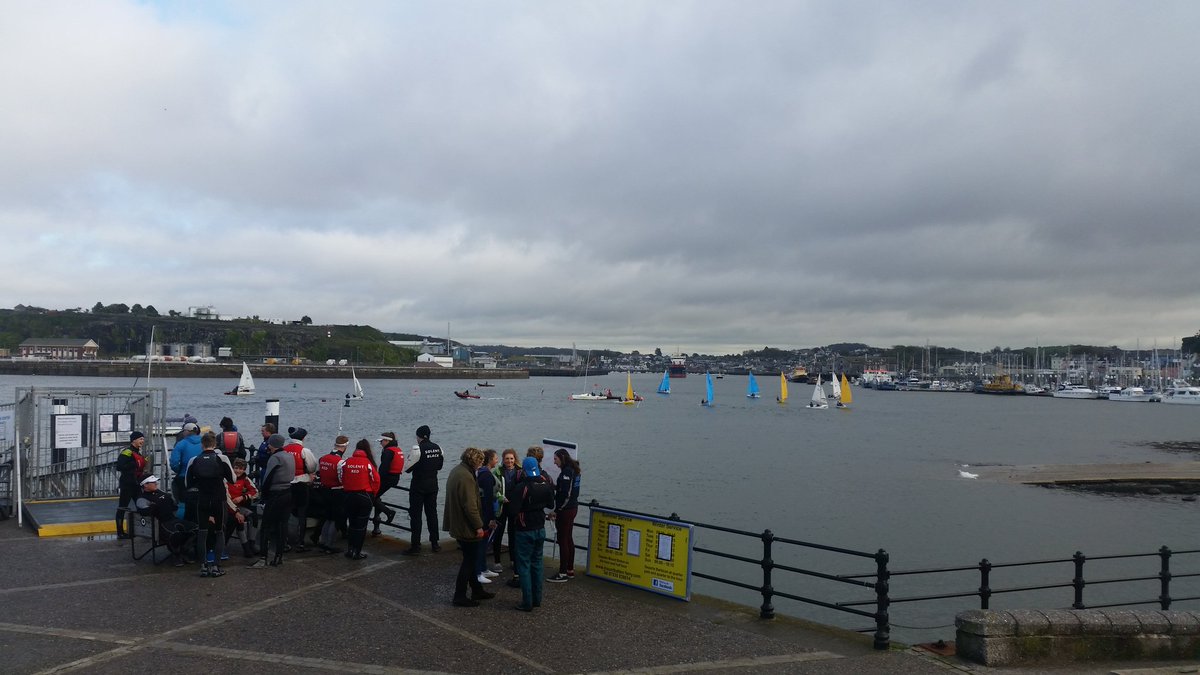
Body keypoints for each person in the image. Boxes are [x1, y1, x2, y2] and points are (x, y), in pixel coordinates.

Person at [443, 447, 496, 607]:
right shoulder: (466, 477)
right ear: (474, 461)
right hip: (466, 526)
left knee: (470, 559)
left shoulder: (457, 471)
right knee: (469, 561)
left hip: (458, 523)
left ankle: (477, 590)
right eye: (480, 461)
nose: (481, 464)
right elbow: (470, 506)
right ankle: (459, 595)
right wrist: (479, 526)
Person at [186, 432, 235, 577]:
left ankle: (203, 566)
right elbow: (232, 479)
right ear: (215, 445)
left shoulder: (194, 460)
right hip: (218, 499)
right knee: (220, 531)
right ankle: (216, 567)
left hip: (202, 499)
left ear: (202, 445)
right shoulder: (222, 458)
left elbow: (187, 483)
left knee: (202, 532)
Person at [510, 456, 554, 611]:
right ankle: (537, 599)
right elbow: (551, 504)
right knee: (537, 564)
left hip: (524, 530)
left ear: (524, 470)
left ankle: (527, 602)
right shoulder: (545, 483)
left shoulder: (522, 487)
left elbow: (513, 510)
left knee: (524, 565)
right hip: (540, 528)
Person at [249, 433, 294, 568]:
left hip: (276, 494)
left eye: (269, 443)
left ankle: (263, 557)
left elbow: (268, 478)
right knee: (282, 525)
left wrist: (264, 495)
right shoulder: (289, 456)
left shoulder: (275, 458)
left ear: (272, 445)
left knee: (266, 525)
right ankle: (279, 556)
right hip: (288, 492)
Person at [134, 474, 196, 567]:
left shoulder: (161, 493)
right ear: (145, 485)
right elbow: (145, 512)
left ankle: (184, 550)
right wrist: (156, 505)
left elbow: (173, 506)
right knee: (175, 535)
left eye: (156, 481)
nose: (156, 483)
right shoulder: (142, 498)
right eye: (153, 482)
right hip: (161, 524)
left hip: (172, 519)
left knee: (196, 529)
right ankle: (176, 554)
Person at [402, 424, 443, 556]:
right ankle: (435, 543)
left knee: (416, 516)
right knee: (432, 514)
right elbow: (440, 466)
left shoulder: (418, 449)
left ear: (419, 437)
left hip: (418, 487)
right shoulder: (438, 448)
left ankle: (415, 546)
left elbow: (407, 469)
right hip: (433, 486)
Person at [339, 439, 380, 560]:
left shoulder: (347, 462)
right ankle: (357, 552)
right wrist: (373, 494)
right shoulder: (368, 463)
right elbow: (376, 480)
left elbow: (341, 477)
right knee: (361, 526)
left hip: (348, 496)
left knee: (351, 524)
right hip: (364, 497)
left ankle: (350, 550)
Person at [548, 448, 582, 582]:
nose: (554, 462)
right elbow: (567, 489)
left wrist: (557, 510)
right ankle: (570, 569)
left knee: (563, 540)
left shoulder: (567, 472)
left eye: (555, 459)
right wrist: (555, 486)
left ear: (562, 458)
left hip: (566, 510)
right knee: (568, 538)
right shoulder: (574, 470)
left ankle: (562, 573)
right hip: (572, 508)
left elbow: (566, 494)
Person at [282, 427, 318, 551]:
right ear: (303, 438)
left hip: (286, 484)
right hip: (301, 484)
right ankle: (300, 542)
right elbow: (312, 466)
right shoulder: (304, 450)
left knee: (286, 513)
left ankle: (285, 541)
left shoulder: (284, 449)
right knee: (302, 514)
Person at [313, 436, 349, 554]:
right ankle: (330, 544)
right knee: (335, 519)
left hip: (324, 490)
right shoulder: (340, 462)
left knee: (327, 517)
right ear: (344, 447)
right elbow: (341, 478)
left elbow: (319, 473)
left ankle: (323, 542)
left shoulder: (323, 458)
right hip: (336, 491)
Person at [115, 431, 148, 539]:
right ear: (133, 440)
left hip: (137, 484)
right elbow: (119, 466)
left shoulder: (139, 452)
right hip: (127, 484)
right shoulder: (127, 452)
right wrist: (134, 464)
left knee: (141, 505)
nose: (142, 441)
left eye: (143, 439)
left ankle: (142, 530)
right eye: (140, 439)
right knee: (123, 507)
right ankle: (120, 532)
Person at [475, 449, 500, 584]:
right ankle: (478, 571)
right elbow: (488, 498)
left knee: (483, 542)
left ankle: (483, 568)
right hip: (485, 513)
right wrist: (491, 518)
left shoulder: (482, 473)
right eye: (496, 458)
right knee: (482, 542)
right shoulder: (487, 476)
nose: (497, 460)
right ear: (490, 460)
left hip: (483, 511)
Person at [491, 448, 518, 575]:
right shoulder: (497, 471)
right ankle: (497, 561)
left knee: (513, 534)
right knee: (499, 533)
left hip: (514, 507)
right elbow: (493, 489)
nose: (509, 461)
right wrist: (501, 497)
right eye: (507, 458)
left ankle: (513, 560)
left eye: (511, 458)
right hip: (502, 506)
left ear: (515, 459)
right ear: (503, 459)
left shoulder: (519, 471)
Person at [225, 459, 258, 558]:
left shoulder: (245, 479)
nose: (238, 471)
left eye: (241, 469)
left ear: (244, 470)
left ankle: (251, 544)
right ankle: (246, 547)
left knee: (254, 517)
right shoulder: (226, 479)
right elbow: (225, 497)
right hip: (228, 507)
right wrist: (236, 511)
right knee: (238, 520)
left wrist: (243, 497)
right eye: (236, 468)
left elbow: (255, 491)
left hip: (239, 506)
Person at [372, 432, 402, 536]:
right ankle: (378, 522)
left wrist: (377, 479)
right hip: (395, 478)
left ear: (387, 441)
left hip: (387, 478)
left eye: (381, 441)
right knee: (376, 497)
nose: (380, 443)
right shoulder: (397, 449)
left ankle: (388, 512)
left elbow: (383, 468)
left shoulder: (388, 451)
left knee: (372, 497)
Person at [168, 422, 202, 505]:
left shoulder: (181, 444)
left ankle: (180, 507)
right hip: (202, 477)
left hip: (184, 476)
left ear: (186, 432)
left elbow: (174, 463)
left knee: (177, 490)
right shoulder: (204, 443)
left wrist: (179, 470)